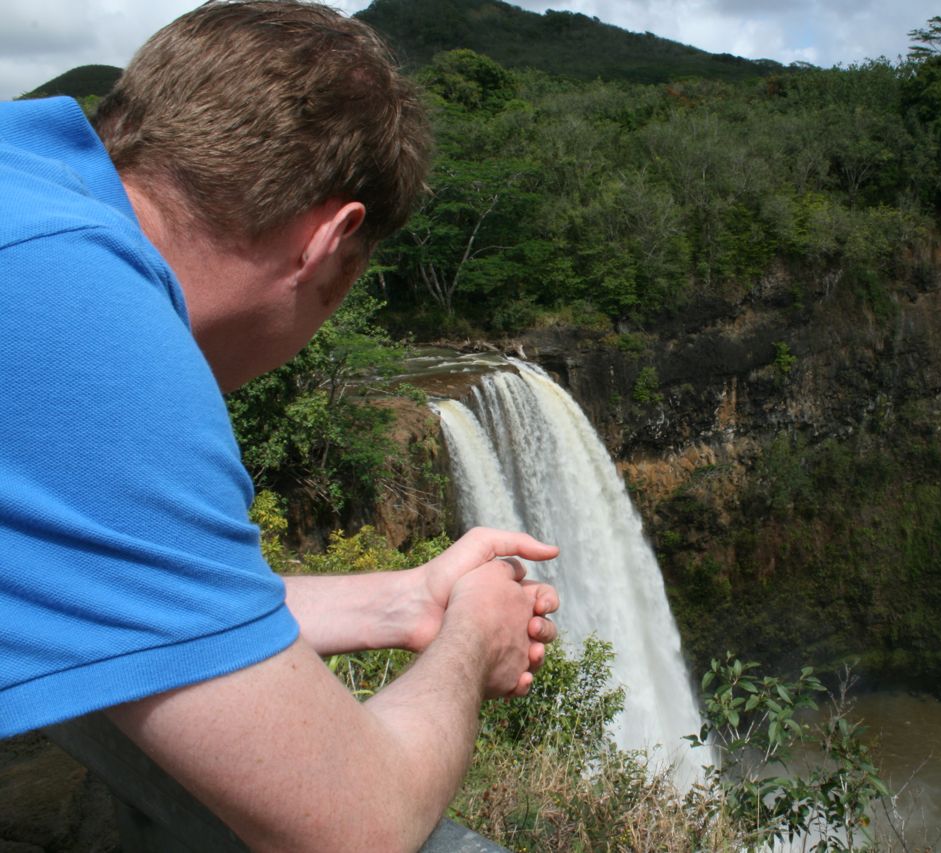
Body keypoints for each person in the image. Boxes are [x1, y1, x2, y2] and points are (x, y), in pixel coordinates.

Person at [0, 2, 559, 849]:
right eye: (338, 296)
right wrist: (471, 643)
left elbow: (142, 591)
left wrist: (403, 601)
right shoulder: (89, 322)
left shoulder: (30, 192)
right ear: (330, 240)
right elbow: (354, 824)